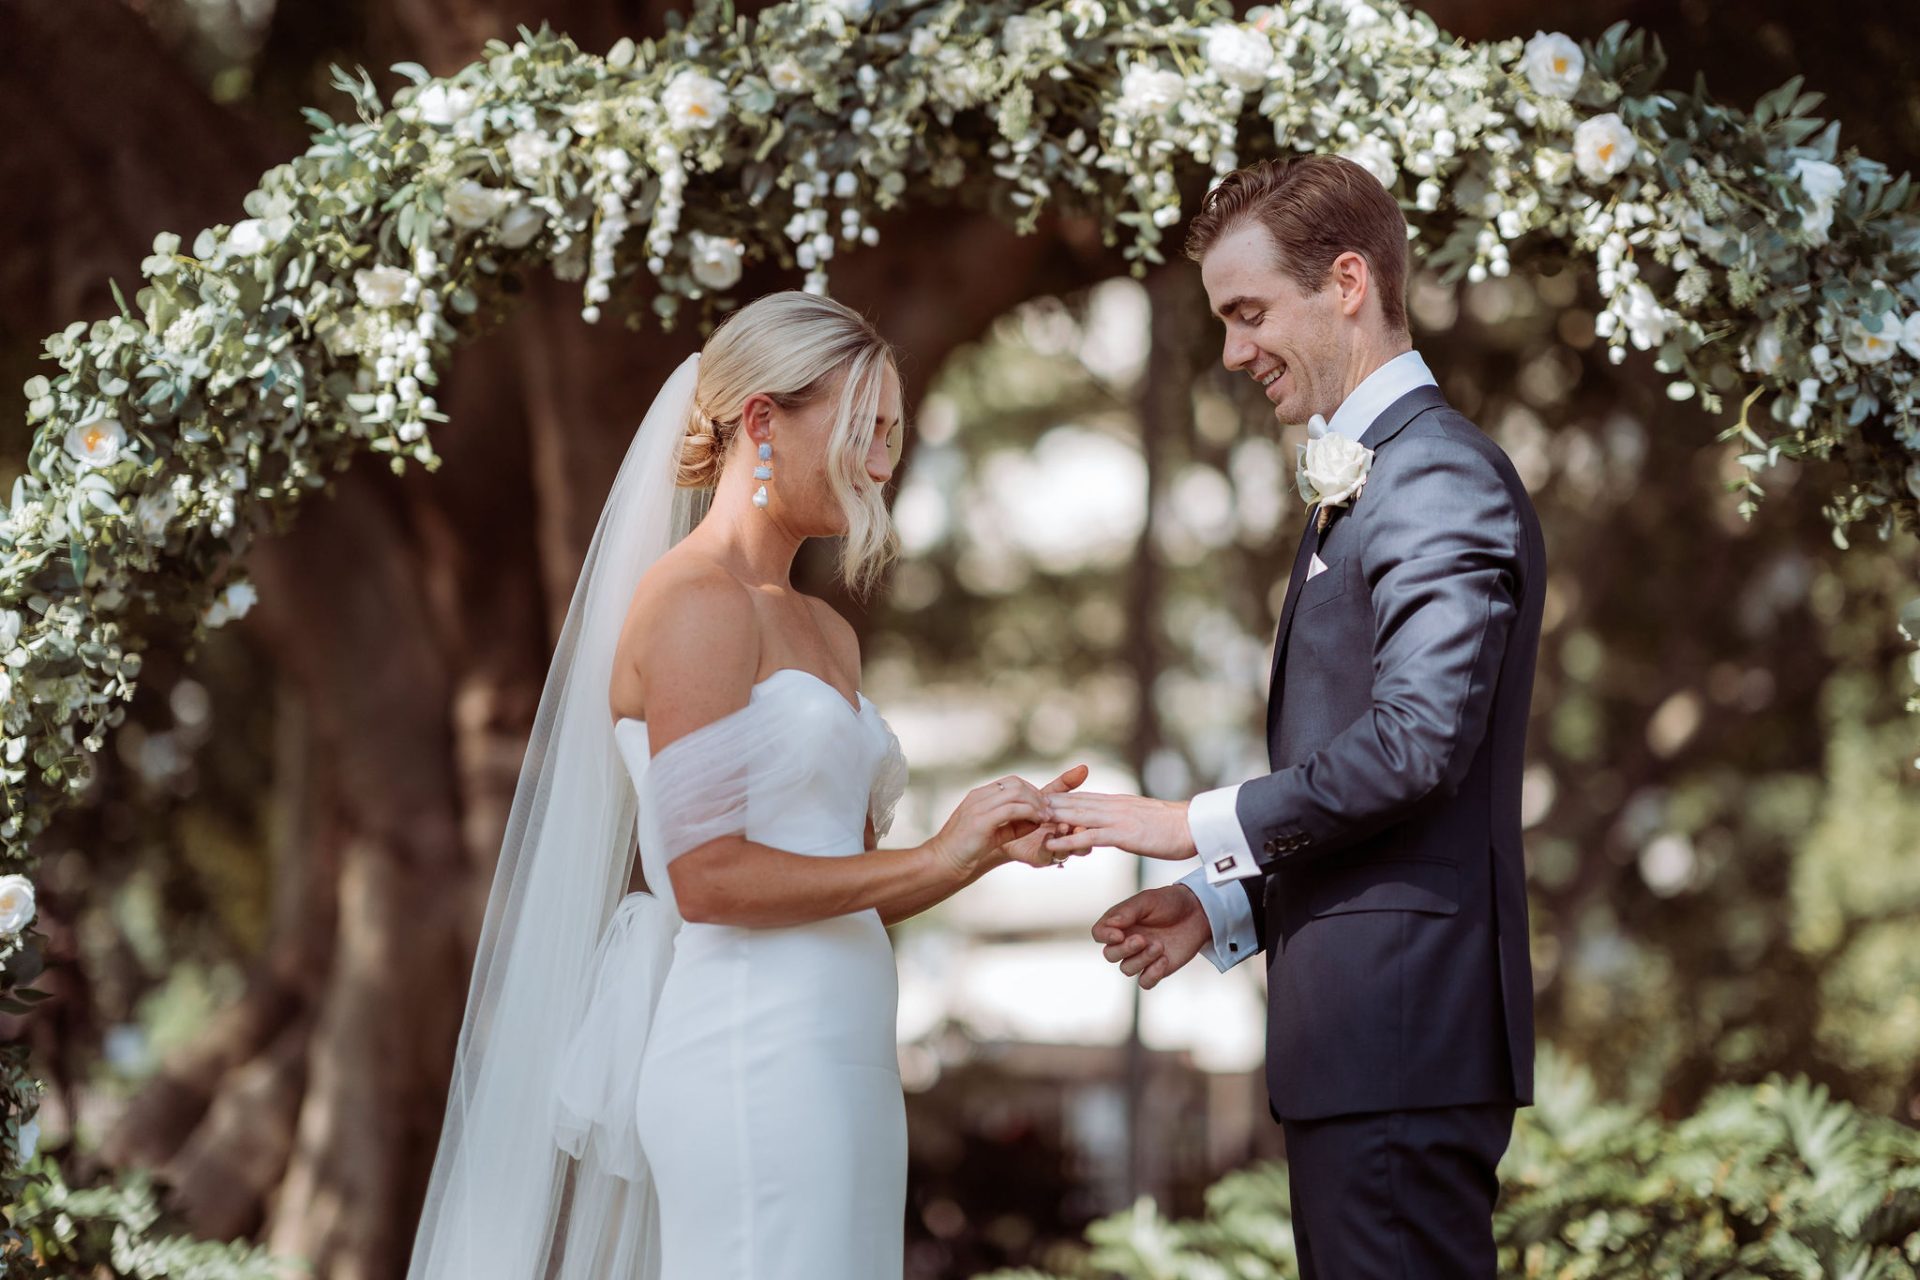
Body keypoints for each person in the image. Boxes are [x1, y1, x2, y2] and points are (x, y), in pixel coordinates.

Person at [405, 290, 1085, 1280]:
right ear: (763, 419)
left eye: (892, 433)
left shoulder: (827, 629)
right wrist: (939, 853)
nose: (882, 461)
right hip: (751, 1052)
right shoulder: (696, 600)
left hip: (845, 1048)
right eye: (861, 428)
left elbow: (842, 875)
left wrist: (977, 854)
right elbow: (708, 877)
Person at [1048, 155, 1546, 1280]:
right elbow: (1371, 782)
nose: (1234, 351)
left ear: (1349, 283)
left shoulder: (1435, 475)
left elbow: (1418, 745)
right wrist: (1224, 900)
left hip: (1401, 1038)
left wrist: (1186, 823)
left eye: (1250, 312)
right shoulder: (1376, 478)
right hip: (1364, 1046)